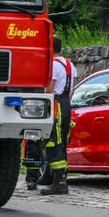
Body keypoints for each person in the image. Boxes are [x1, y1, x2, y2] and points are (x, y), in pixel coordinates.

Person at [41, 35, 76, 196]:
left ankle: (57, 183)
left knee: (54, 143)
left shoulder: (53, 65)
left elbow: (49, 89)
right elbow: (72, 89)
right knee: (62, 141)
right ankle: (62, 179)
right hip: (66, 104)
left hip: (56, 104)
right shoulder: (70, 65)